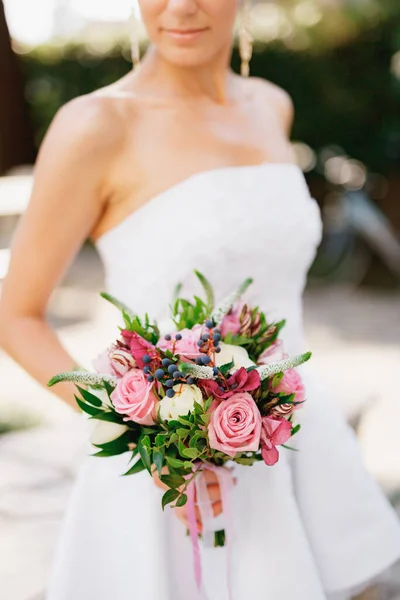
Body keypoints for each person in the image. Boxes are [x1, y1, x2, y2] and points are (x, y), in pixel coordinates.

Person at [0, 1, 399, 599]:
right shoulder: (96, 125)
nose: (181, 6)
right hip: (176, 477)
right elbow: (16, 314)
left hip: (303, 444)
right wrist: (139, 429)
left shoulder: (270, 104)